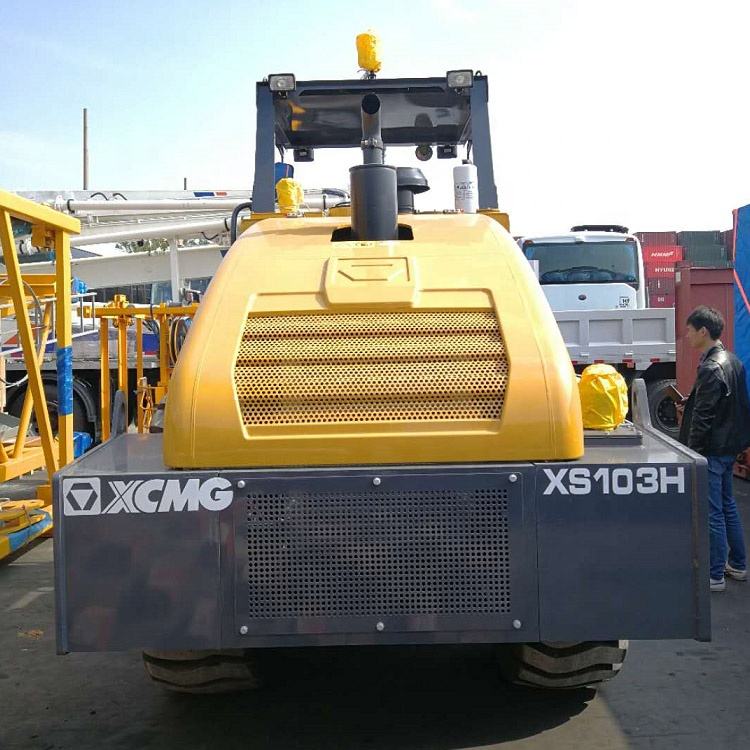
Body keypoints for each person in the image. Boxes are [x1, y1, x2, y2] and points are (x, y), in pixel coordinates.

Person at [679, 306, 749, 591]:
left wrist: (693, 454)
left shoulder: (710, 367)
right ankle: (738, 565)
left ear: (703, 331)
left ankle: (715, 574)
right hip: (728, 447)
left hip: (711, 450)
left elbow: (703, 418)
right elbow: (730, 405)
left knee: (713, 512)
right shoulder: (733, 360)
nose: (686, 335)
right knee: (728, 505)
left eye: (689, 330)